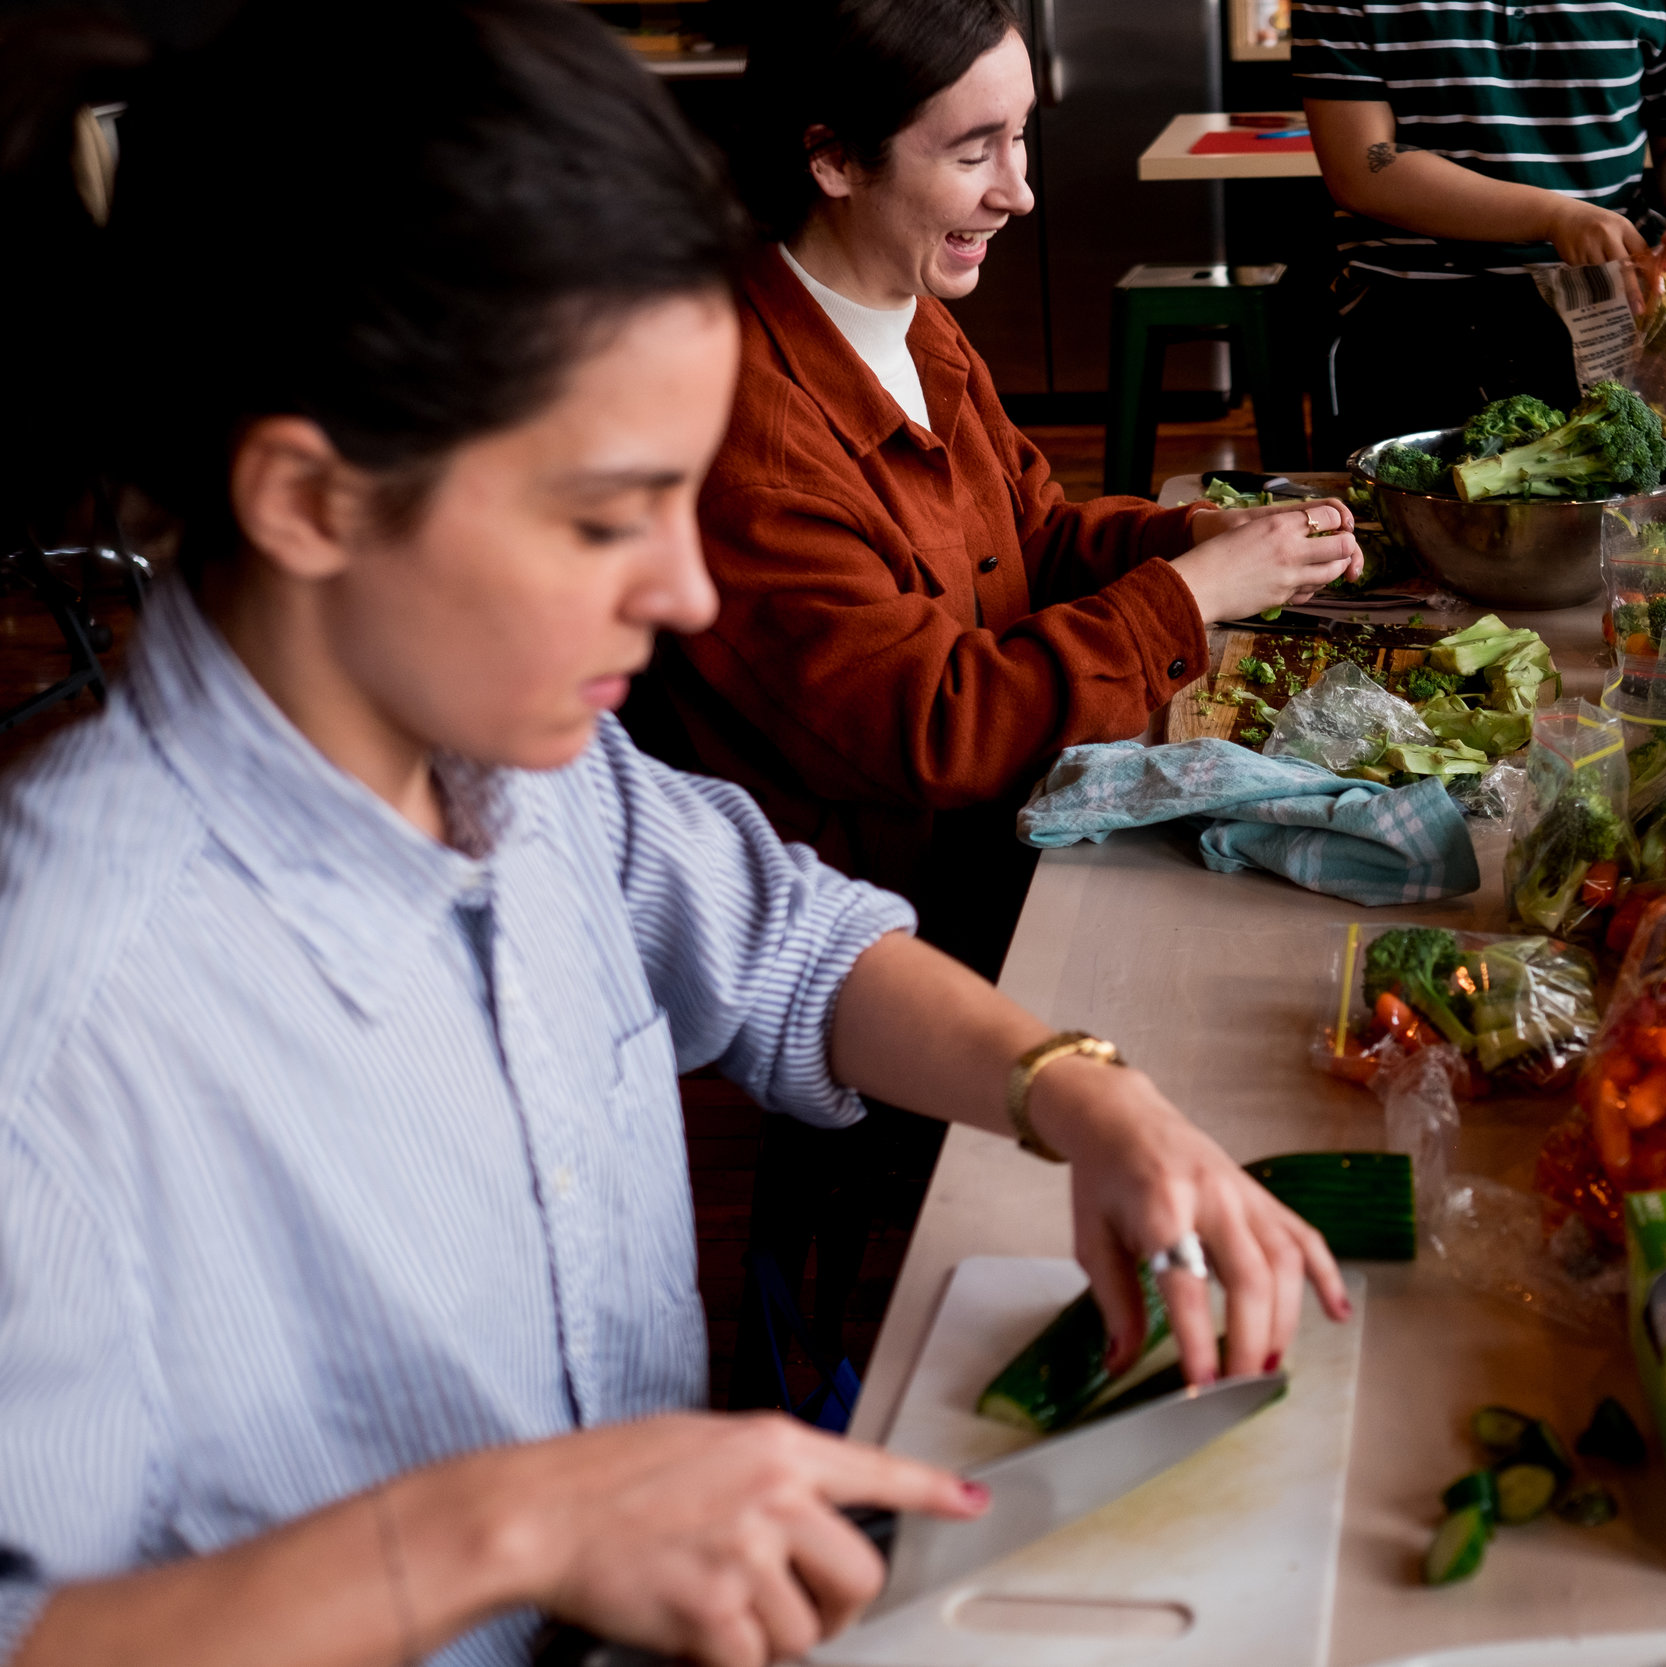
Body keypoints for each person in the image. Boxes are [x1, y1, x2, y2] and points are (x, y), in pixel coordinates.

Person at [0, 6, 1345, 1666]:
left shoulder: (529, 768)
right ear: (309, 499)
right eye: (599, 516)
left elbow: (790, 945)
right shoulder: (53, 1015)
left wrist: (1080, 1090)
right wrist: (523, 1524)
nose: (690, 592)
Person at [640, 0, 1363, 979]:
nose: (1020, 194)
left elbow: (1032, 543)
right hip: (896, 951)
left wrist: (1201, 536)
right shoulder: (754, 449)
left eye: (1019, 137)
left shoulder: (903, 311)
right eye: (974, 152)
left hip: (1006, 854)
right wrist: (1192, 596)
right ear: (836, 159)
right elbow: (938, 726)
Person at [1294, 0, 1666, 460]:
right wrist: (1555, 217)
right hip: (1414, 317)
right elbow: (1360, 168)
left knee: (1634, 523)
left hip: (1615, 309)